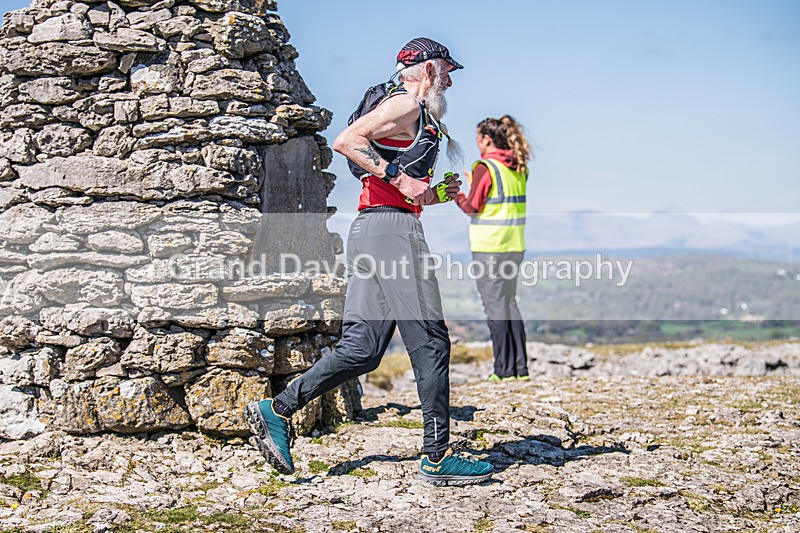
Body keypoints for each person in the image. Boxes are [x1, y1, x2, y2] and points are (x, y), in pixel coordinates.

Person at [246, 38, 494, 487]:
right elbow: (347, 140)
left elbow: (394, 186)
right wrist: (401, 177)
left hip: (371, 229)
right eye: (447, 69)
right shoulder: (407, 107)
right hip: (392, 235)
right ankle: (438, 457)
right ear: (424, 69)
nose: (452, 78)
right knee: (432, 341)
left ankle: (276, 409)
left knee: (361, 350)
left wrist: (432, 193)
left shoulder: (414, 114)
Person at [455, 116, 532, 381]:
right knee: (510, 303)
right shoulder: (519, 167)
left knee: (495, 307)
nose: (477, 143)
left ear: (487, 139)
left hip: (489, 246)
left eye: (477, 138)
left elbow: (473, 207)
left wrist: (458, 194)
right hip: (515, 244)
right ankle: (520, 368)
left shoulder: (485, 167)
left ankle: (502, 370)